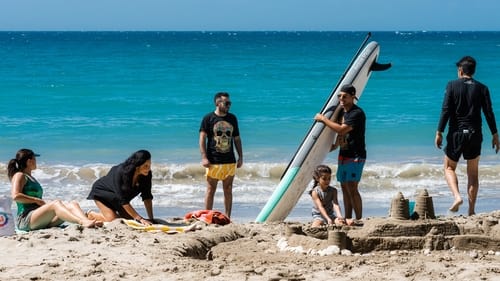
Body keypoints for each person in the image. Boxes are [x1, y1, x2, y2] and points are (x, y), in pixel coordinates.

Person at [435, 56, 499, 216]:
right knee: (473, 174)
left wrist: (439, 131)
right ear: (473, 71)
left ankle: (457, 197)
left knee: (449, 167)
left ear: (460, 70)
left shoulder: (451, 85)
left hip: (456, 134)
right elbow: (489, 113)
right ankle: (471, 211)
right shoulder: (483, 88)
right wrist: (495, 134)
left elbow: (445, 110)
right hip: (475, 134)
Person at [8, 148, 101, 231]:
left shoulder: (32, 178)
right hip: (25, 220)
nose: (36, 162)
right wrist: (36, 200)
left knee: (73, 204)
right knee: (56, 204)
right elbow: (15, 196)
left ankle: (87, 221)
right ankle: (82, 222)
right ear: (29, 161)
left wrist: (42, 204)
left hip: (38, 219)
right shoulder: (19, 175)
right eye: (35, 159)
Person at [314, 84, 366, 223]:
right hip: (344, 154)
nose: (341, 99)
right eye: (339, 96)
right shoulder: (343, 112)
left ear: (353, 97)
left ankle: (359, 218)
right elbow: (342, 135)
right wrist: (335, 145)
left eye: (345, 96)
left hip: (356, 155)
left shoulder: (357, 113)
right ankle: (348, 218)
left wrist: (324, 119)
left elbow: (342, 130)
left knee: (352, 187)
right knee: (344, 187)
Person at [199, 92, 243, 218]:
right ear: (218, 103)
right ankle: (207, 216)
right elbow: (202, 138)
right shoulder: (208, 118)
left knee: (228, 189)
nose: (229, 105)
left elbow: (237, 139)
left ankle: (228, 217)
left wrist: (240, 157)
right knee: (210, 189)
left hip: (229, 160)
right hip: (213, 160)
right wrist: (204, 157)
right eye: (226, 103)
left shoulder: (232, 118)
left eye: (230, 103)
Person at [87, 150, 155, 225]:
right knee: (115, 221)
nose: (148, 169)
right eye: (145, 166)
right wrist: (140, 218)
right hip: (102, 193)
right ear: (137, 165)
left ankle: (107, 213)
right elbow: (123, 200)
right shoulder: (120, 172)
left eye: (149, 165)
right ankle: (91, 214)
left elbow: (147, 197)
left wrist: (151, 218)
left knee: (131, 221)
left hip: (118, 199)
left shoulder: (147, 175)